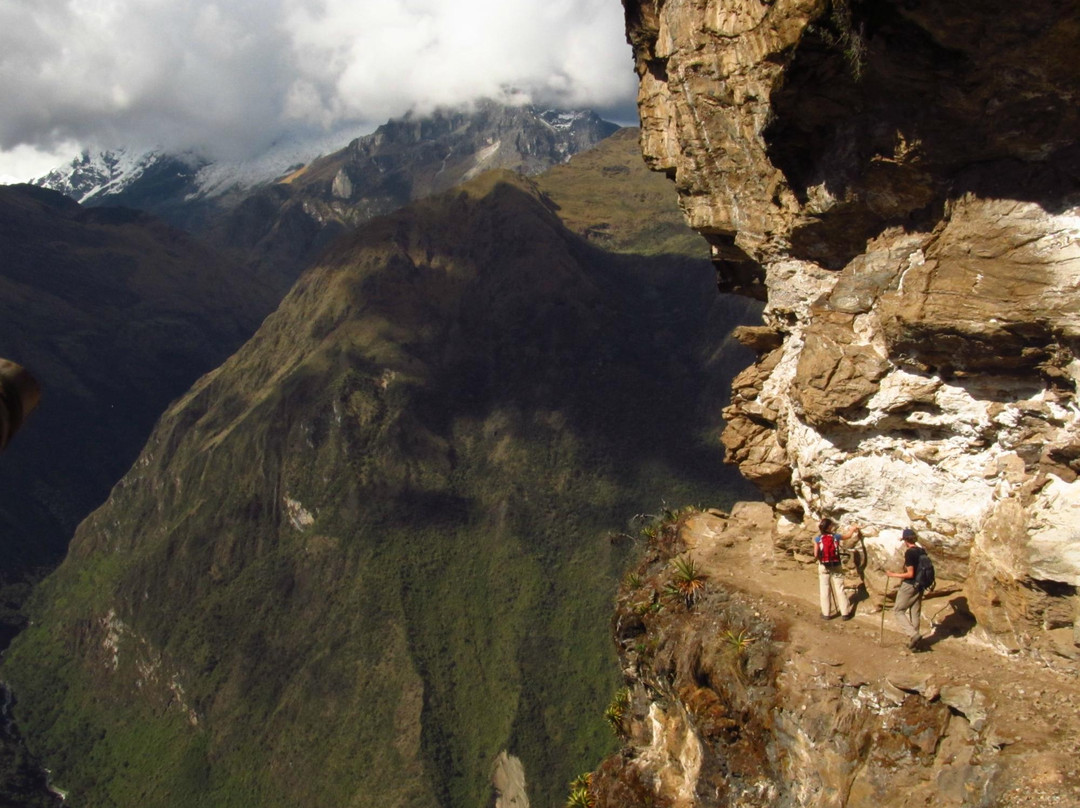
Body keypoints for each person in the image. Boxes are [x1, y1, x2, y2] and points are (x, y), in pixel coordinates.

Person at [886, 528, 926, 650]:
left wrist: (892, 575)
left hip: (909, 585)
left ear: (905, 540)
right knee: (915, 612)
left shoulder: (910, 553)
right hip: (920, 585)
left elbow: (910, 574)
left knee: (898, 610)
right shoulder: (922, 551)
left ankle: (913, 635)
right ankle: (916, 645)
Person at [814, 517, 859, 620]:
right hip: (836, 564)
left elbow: (816, 554)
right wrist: (852, 529)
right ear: (829, 527)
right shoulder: (836, 537)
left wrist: (822, 560)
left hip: (823, 565)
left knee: (824, 588)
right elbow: (848, 536)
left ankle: (826, 614)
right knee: (840, 588)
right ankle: (845, 613)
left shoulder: (818, 539)